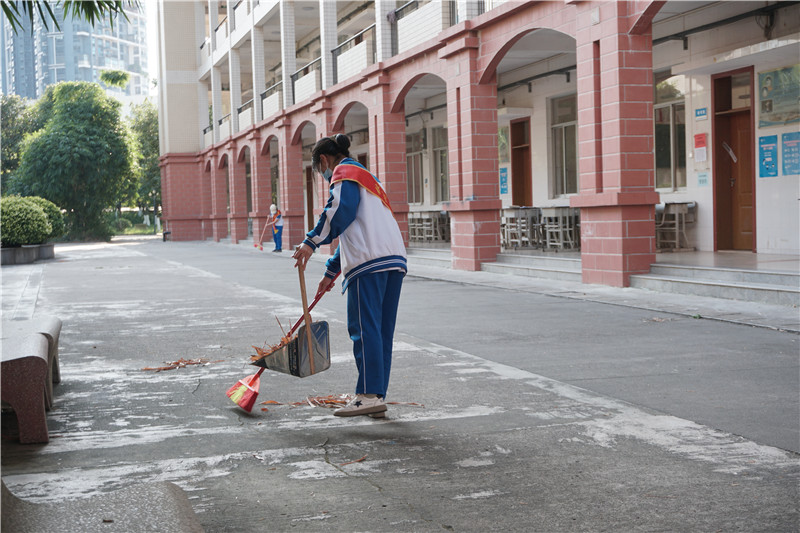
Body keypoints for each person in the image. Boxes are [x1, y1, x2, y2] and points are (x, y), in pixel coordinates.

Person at [293, 134, 406, 417]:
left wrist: (310, 241)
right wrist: (331, 272)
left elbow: (339, 212)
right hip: (392, 259)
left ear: (323, 161)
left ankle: (367, 394)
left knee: (364, 329)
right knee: (380, 332)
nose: (325, 177)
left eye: (321, 173)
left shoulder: (345, 173)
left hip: (368, 263)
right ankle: (376, 396)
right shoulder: (369, 179)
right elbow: (355, 230)